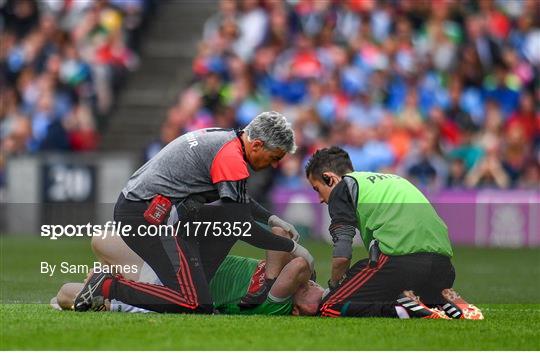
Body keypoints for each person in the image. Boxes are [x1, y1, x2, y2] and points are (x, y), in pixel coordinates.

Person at [74, 111, 314, 314]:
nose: (273, 165)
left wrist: (271, 218)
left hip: (151, 212)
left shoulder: (227, 140)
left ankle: (196, 286)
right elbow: (242, 225)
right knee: (195, 303)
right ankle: (107, 287)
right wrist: (293, 248)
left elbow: (238, 202)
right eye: (274, 158)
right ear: (257, 145)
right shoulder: (230, 157)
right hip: (146, 218)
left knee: (224, 218)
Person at [304, 146, 483, 320]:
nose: (320, 199)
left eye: (317, 189)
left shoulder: (342, 188)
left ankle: (401, 308)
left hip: (401, 263)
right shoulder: (392, 179)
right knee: (387, 277)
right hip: (443, 268)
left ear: (329, 178)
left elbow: (342, 254)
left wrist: (334, 287)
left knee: (330, 306)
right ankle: (441, 298)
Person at [54, 228, 322, 316]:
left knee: (68, 292)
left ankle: (102, 288)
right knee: (100, 240)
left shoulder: (277, 303)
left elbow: (298, 265)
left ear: (298, 311)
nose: (316, 289)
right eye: (317, 286)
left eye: (315, 296)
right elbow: (280, 234)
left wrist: (306, 262)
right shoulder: (284, 275)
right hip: (181, 267)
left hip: (172, 291)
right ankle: (102, 284)